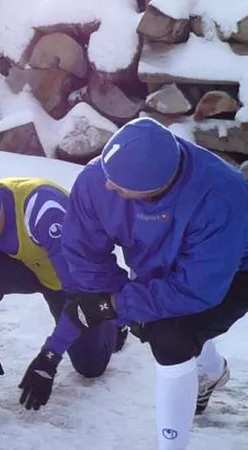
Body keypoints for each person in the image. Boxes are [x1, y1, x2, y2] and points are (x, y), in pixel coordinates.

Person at [19, 117, 248, 449]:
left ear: (152, 192)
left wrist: (119, 305)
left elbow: (194, 289)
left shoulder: (224, 198)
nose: (108, 186)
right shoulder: (100, 179)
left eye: (119, 185)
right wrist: (120, 307)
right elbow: (85, 256)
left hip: (232, 271)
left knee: (170, 336)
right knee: (155, 320)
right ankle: (211, 370)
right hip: (160, 264)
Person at [0, 176, 125, 426]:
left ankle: (114, 321)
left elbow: (80, 297)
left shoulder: (45, 213)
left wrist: (49, 358)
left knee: (91, 367)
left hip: (69, 279)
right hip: (23, 268)